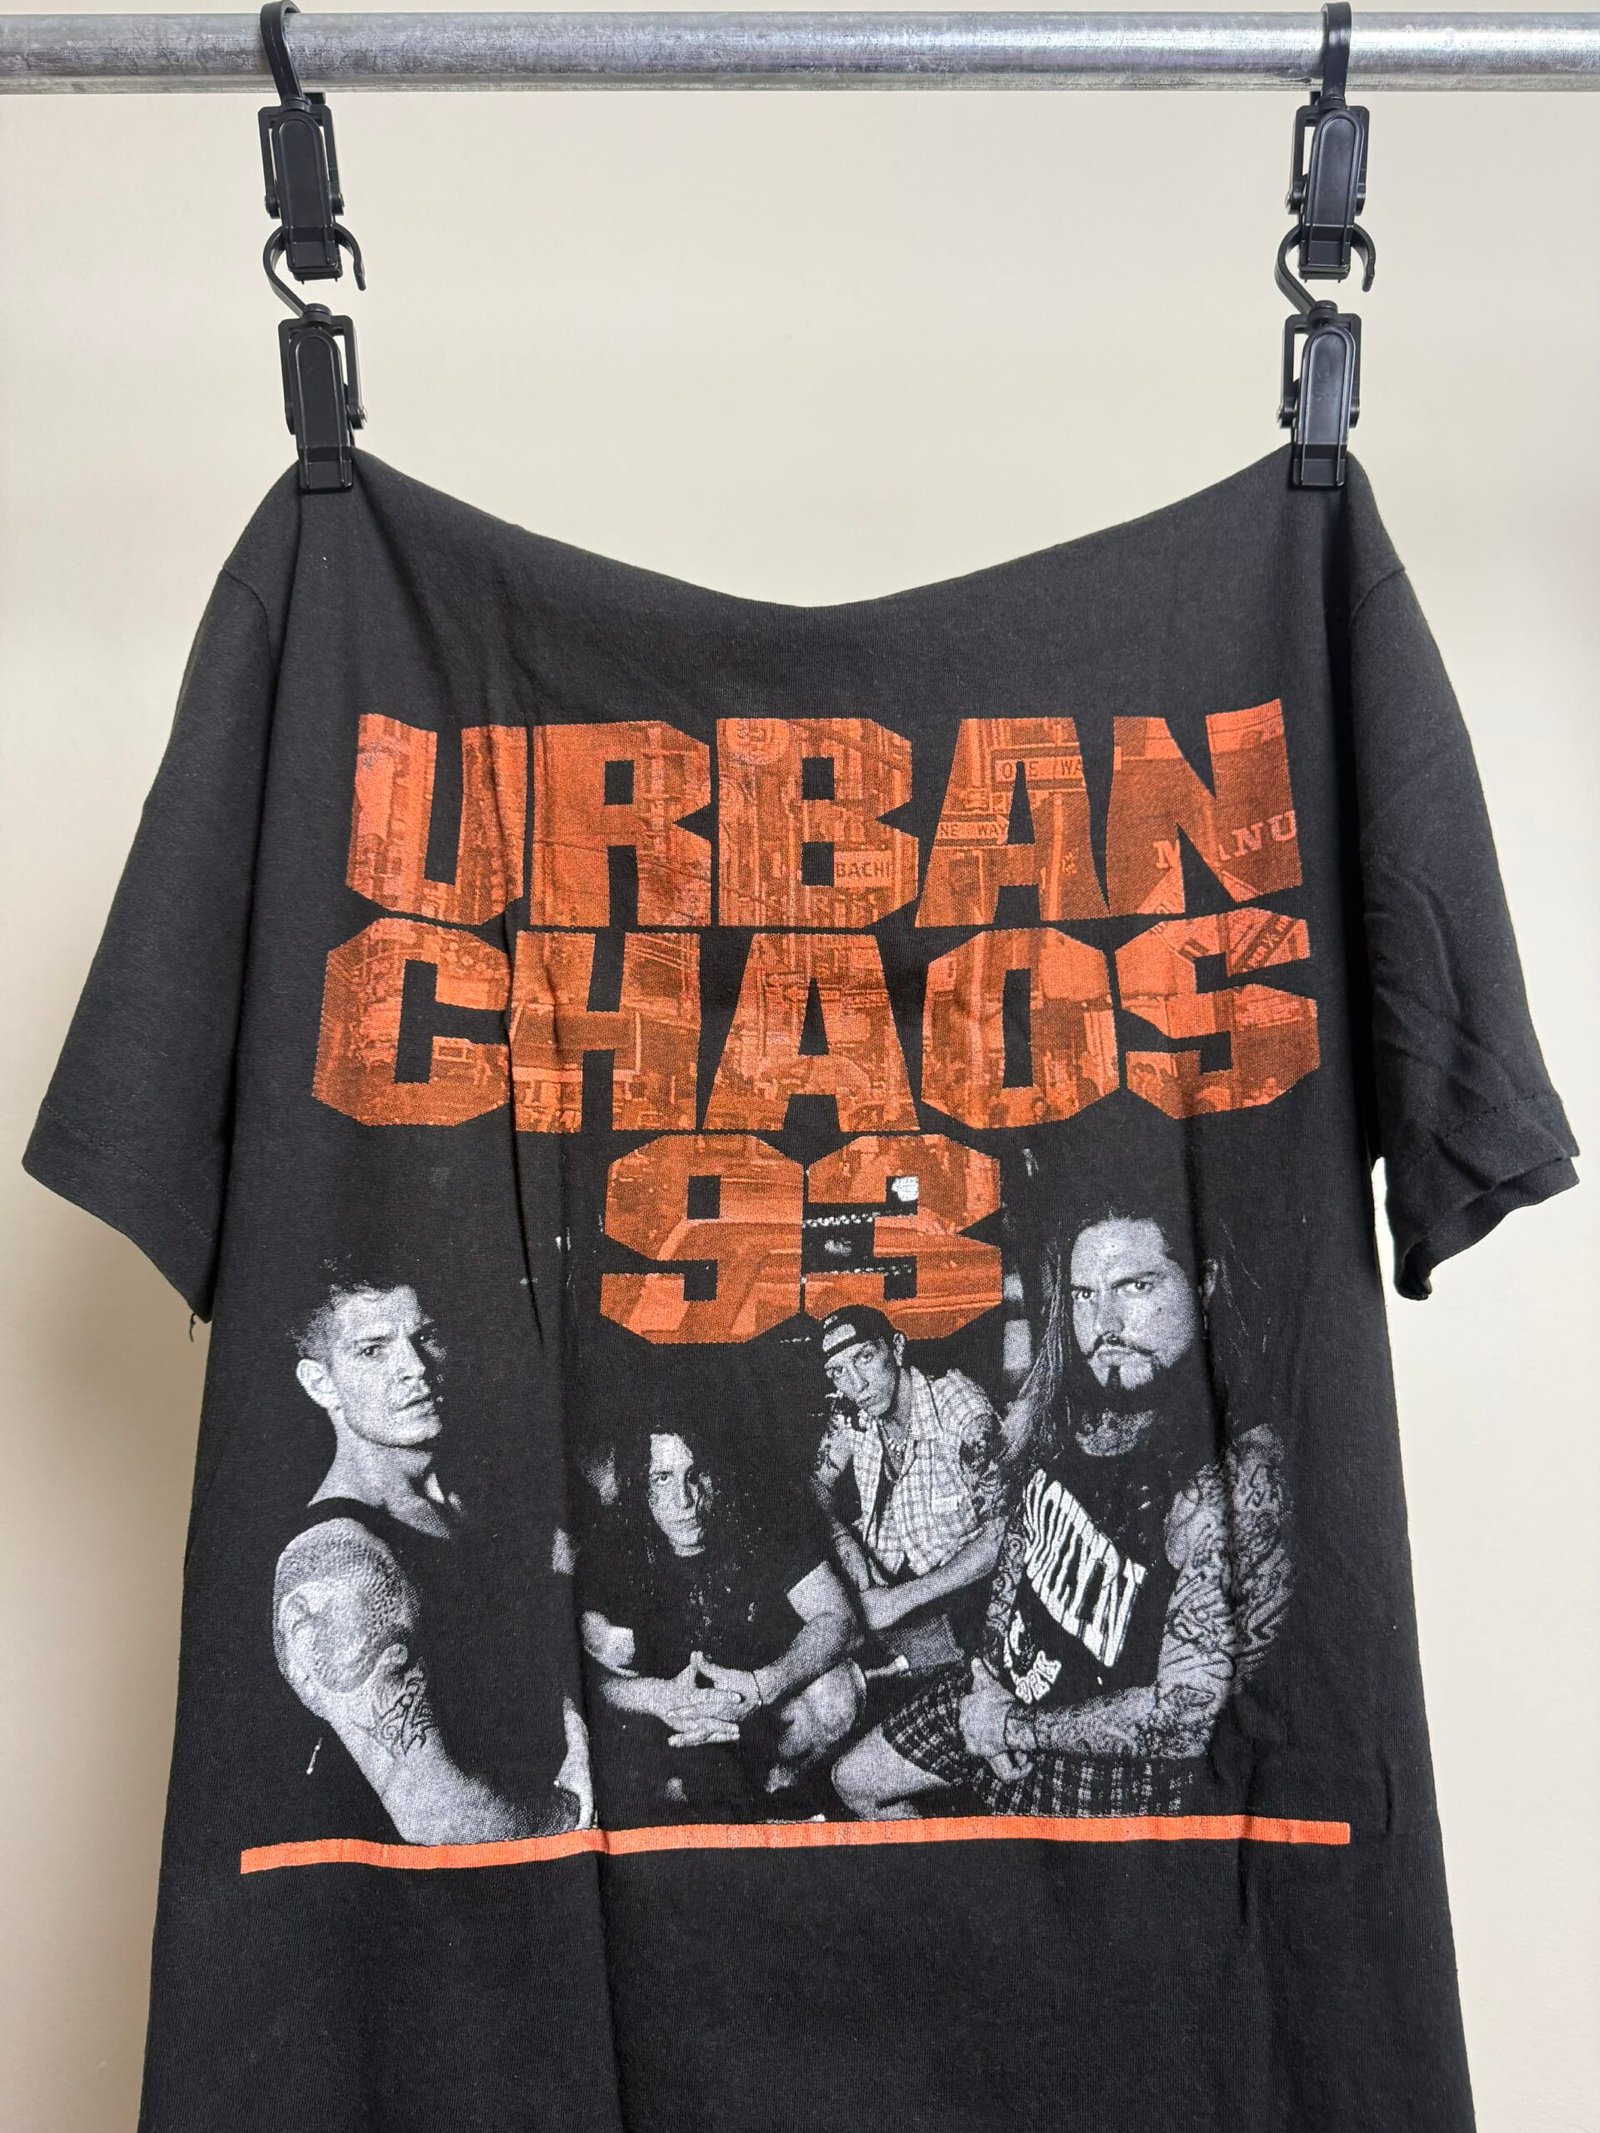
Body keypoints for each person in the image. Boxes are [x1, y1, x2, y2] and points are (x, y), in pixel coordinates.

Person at [832, 1199, 1291, 1820]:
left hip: (1105, 1750)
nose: (1105, 1323)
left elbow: (1184, 1719)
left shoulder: (1238, 1480)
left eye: (1136, 1286)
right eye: (1083, 1295)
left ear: (1203, 1286)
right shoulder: (1068, 1398)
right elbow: (1020, 1541)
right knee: (855, 1779)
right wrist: (988, 1675)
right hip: (1002, 1690)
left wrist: (1010, 1729)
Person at [272, 1272, 591, 1842]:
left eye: (424, 1336)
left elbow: (533, 1658)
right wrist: (578, 1813)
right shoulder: (340, 1561)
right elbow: (436, 1815)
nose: (415, 1368)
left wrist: (583, 1743)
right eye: (372, 1350)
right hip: (429, 1878)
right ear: (321, 1383)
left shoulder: (471, 1499)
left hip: (537, 1823)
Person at [580, 1419, 862, 1823]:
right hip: (674, 1720)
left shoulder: (759, 1521)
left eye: (696, 1474)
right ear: (638, 1485)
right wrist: (656, 1696)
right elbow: (580, 1675)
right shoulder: (613, 1547)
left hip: (761, 1705)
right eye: (662, 1478)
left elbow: (839, 1618)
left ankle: (780, 1793)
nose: (684, 1500)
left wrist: (764, 1685)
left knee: (838, 1693)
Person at [810, 1305, 1009, 1672]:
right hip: (883, 1586)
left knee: (844, 1673)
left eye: (864, 1358)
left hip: (961, 1594)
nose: (857, 1384)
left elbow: (1004, 1534)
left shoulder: (962, 1410)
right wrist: (843, 1540)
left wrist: (900, 1600)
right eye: (838, 1371)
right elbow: (817, 1483)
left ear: (897, 1347)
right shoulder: (853, 1412)